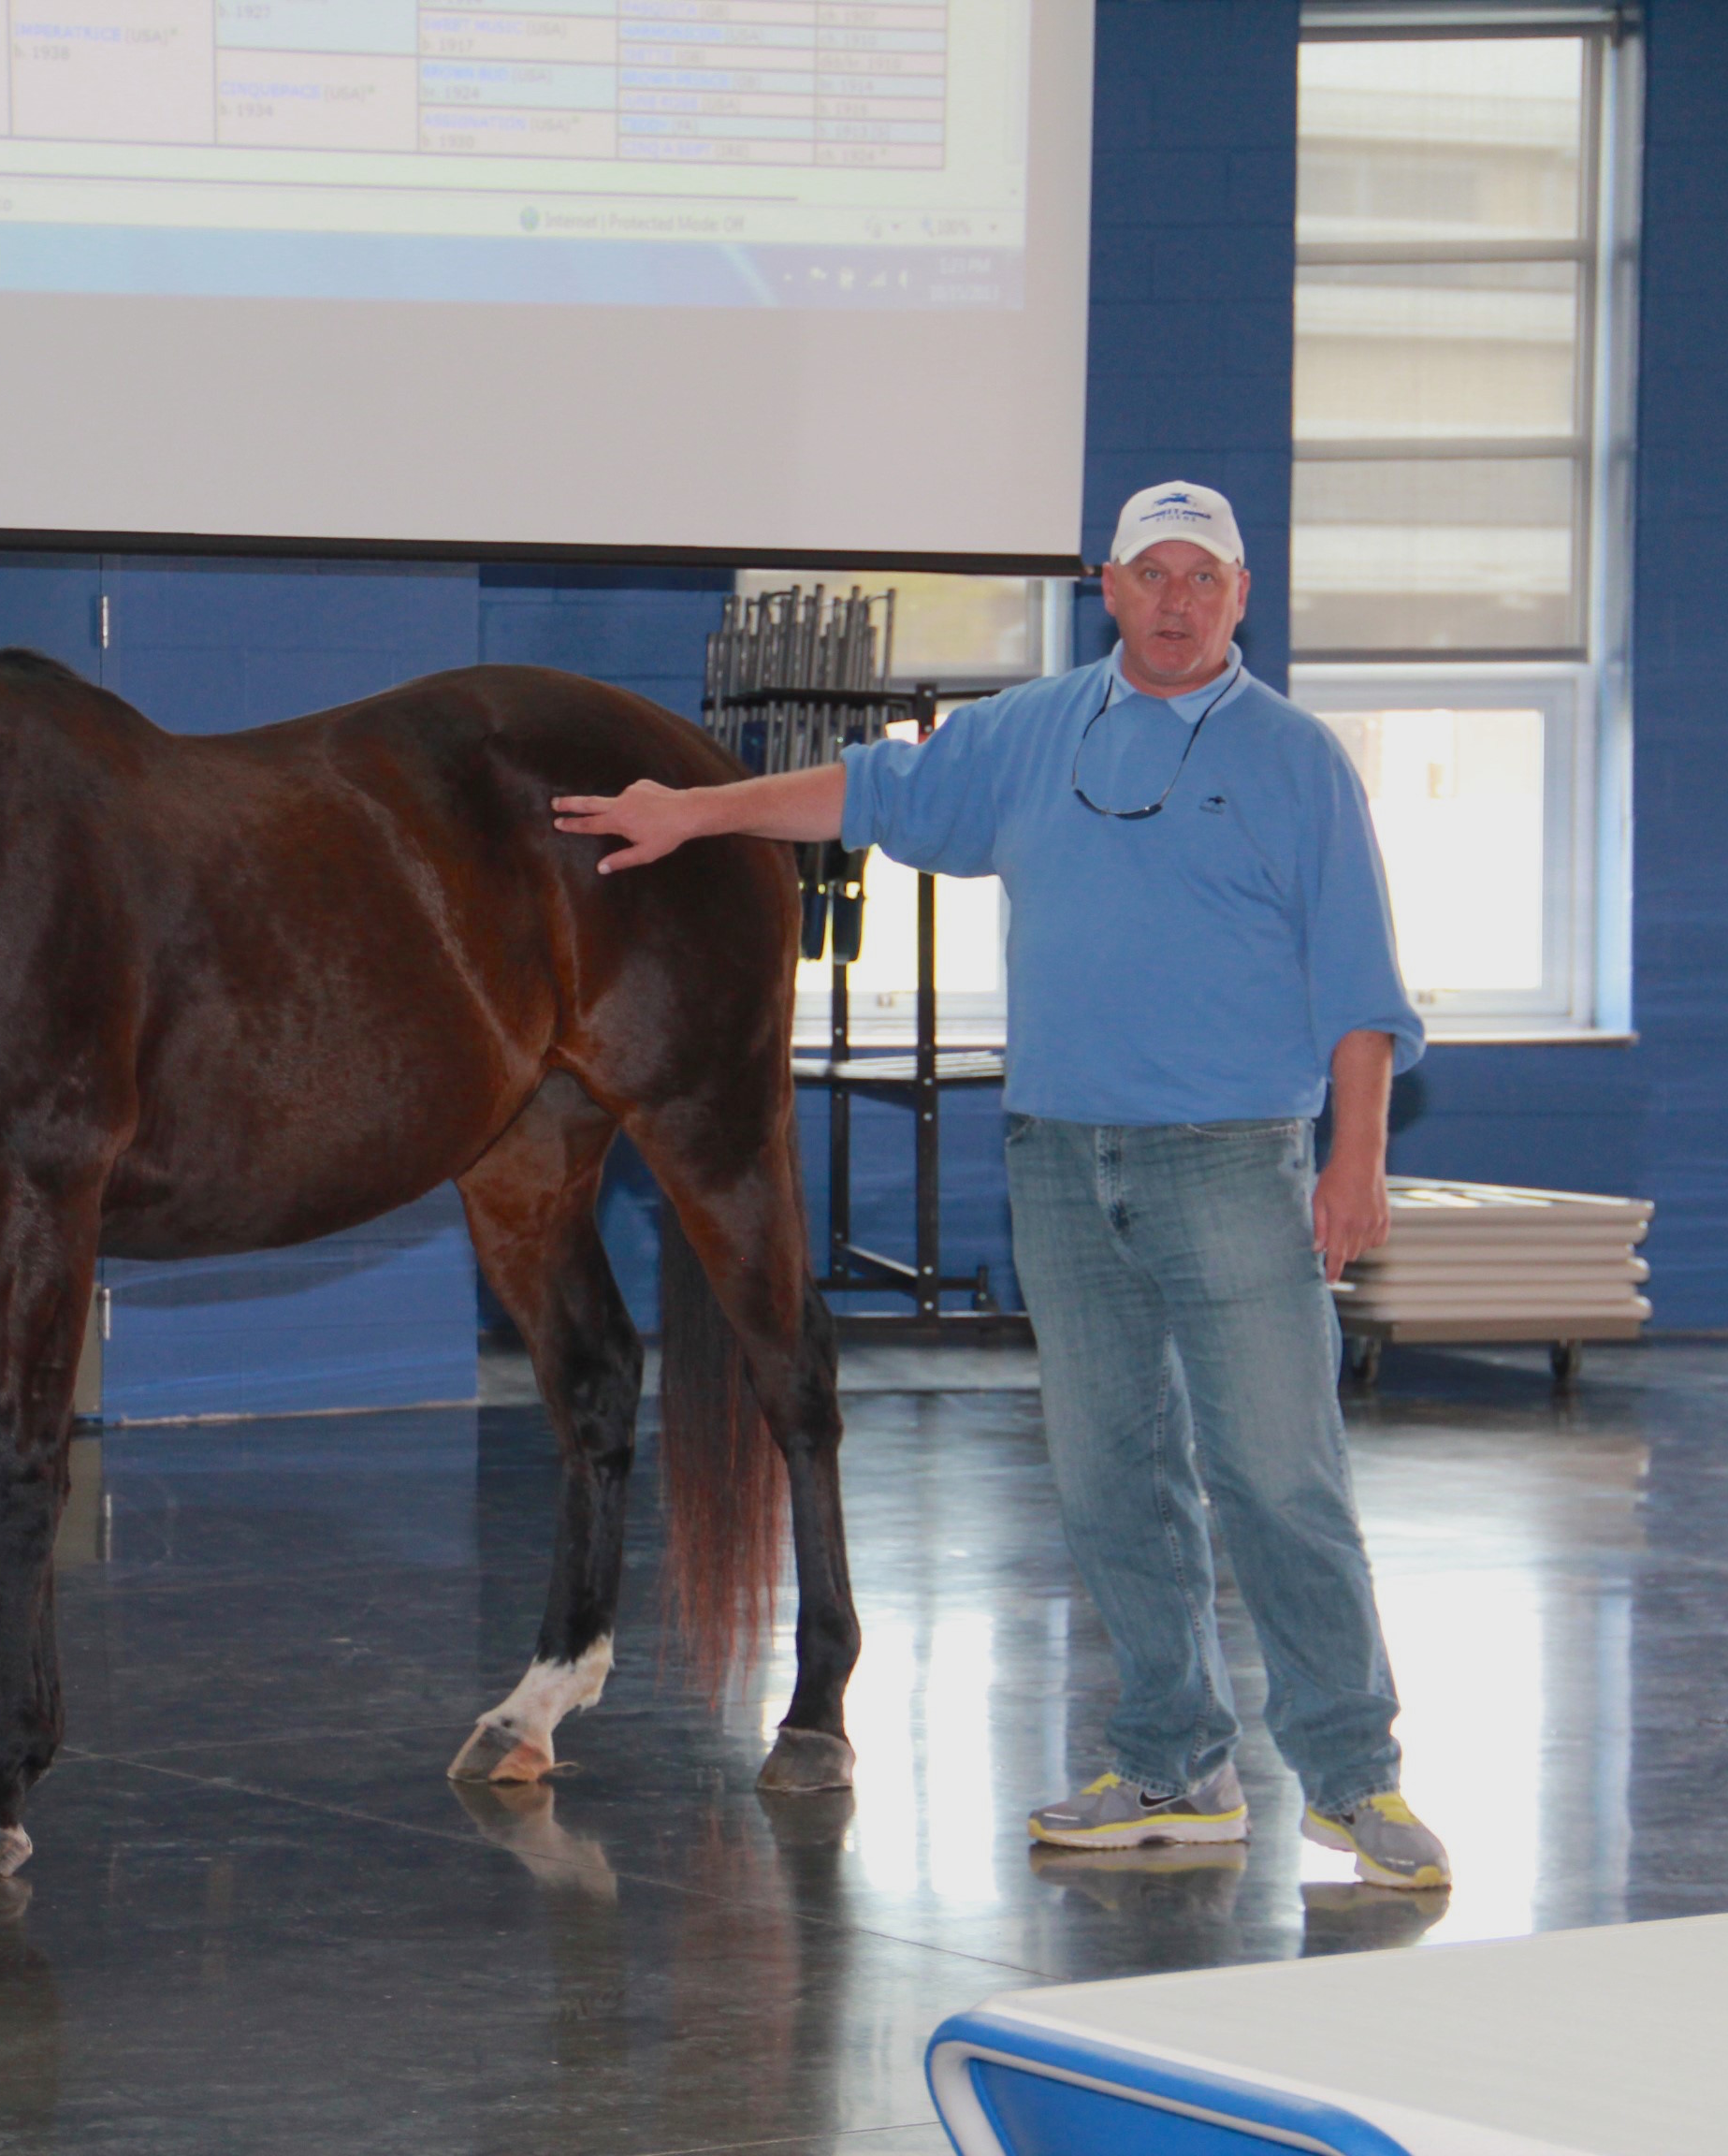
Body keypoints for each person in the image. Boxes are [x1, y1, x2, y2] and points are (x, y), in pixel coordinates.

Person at [549, 482, 1451, 1892]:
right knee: (1111, 1483)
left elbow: (1358, 987)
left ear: (1240, 595)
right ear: (1109, 586)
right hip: (1059, 1162)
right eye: (1149, 573)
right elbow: (869, 790)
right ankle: (1172, 1763)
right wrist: (699, 811)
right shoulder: (1035, 732)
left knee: (1279, 1478)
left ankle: (1356, 1780)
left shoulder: (1295, 760)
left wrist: (1355, 1159)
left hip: (1232, 1164)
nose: (1174, 598)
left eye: (1199, 578)